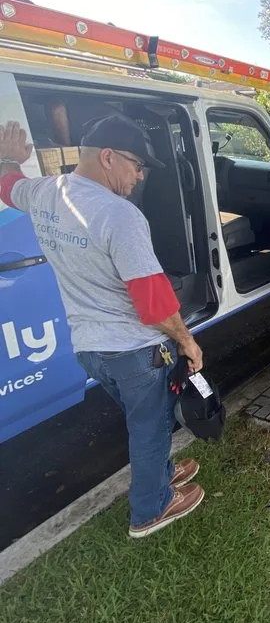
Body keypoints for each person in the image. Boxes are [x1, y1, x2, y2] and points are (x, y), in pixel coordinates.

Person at [0, 116, 205, 538]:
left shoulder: (46, 191)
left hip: (90, 350)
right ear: (108, 157)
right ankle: (150, 509)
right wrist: (187, 341)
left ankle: (163, 473)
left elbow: (7, 184)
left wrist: (9, 158)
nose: (139, 176)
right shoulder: (119, 214)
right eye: (137, 165)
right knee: (149, 427)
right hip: (135, 350)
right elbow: (153, 303)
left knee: (149, 417)